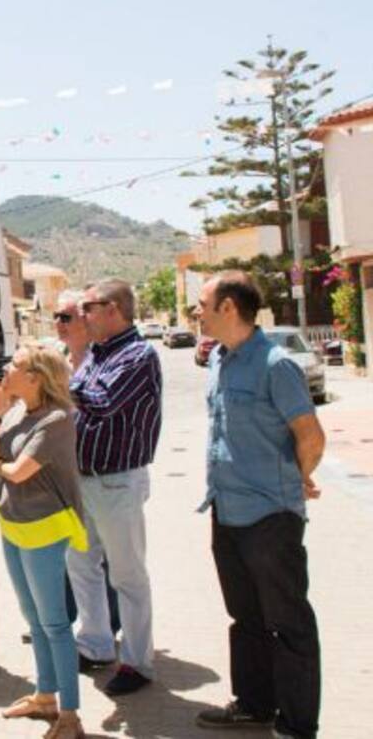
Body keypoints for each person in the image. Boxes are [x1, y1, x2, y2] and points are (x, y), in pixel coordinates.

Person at [193, 272, 324, 739]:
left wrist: (297, 477)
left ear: (228, 307)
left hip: (270, 517)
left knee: (288, 623)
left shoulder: (275, 364)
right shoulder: (219, 362)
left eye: (202, 303)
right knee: (245, 618)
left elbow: (310, 435)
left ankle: (296, 725)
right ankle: (254, 705)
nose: (196, 312)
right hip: (226, 510)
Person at [0, 343, 87, 739]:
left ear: (36, 376)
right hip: (14, 525)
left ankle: (70, 715)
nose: (6, 370)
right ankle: (44, 697)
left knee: (55, 623)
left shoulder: (57, 419)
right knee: (34, 619)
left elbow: (18, 472)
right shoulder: (19, 414)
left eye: (16, 365)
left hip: (43, 528)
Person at [67, 278, 161, 696]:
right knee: (82, 567)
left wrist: (58, 381)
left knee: (127, 576)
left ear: (114, 308)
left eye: (87, 307)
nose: (81, 316)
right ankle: (96, 644)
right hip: (83, 480)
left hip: (117, 481)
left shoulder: (138, 355)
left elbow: (101, 400)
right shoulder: (95, 355)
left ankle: (137, 662)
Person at [52, 291, 121, 648]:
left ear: (85, 319)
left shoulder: (102, 363)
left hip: (100, 473)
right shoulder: (57, 361)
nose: (58, 324)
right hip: (64, 471)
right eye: (56, 317)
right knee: (69, 550)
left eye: (65, 317)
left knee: (104, 554)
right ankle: (63, 621)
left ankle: (108, 625)